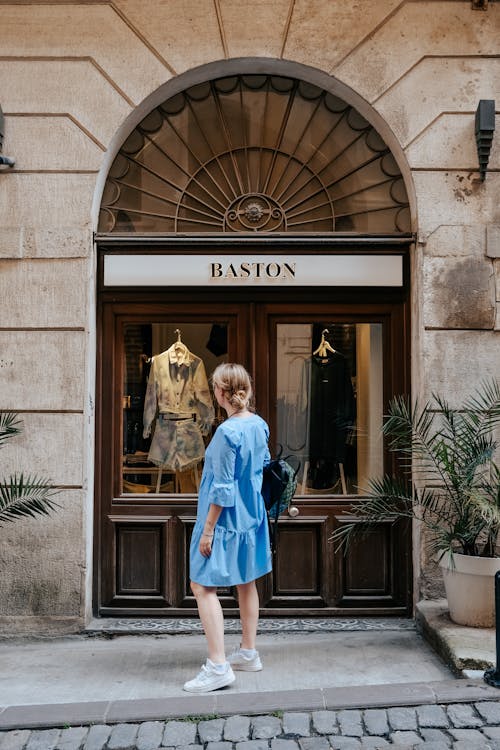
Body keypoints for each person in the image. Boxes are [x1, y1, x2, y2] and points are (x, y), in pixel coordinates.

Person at [183, 363, 272, 693]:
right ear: (245, 390)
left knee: (201, 586)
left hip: (224, 521)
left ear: (221, 393)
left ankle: (218, 665)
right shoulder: (258, 425)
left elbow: (221, 488)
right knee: (246, 581)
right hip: (250, 517)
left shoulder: (226, 433)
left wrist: (207, 530)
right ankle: (248, 652)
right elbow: (261, 469)